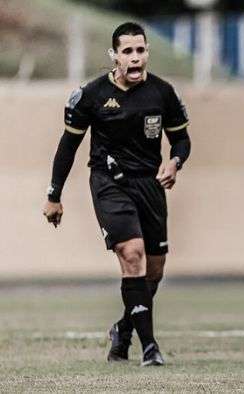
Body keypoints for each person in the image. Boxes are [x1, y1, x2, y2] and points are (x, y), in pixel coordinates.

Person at [42, 22, 191, 366]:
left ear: (147, 52)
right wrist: (54, 195)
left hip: (150, 185)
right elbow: (68, 147)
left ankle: (123, 332)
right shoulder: (91, 95)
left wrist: (175, 161)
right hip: (110, 183)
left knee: (153, 271)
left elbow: (181, 138)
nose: (135, 57)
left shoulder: (163, 93)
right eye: (127, 51)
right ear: (115, 56)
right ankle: (150, 348)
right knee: (132, 253)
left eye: (140, 50)